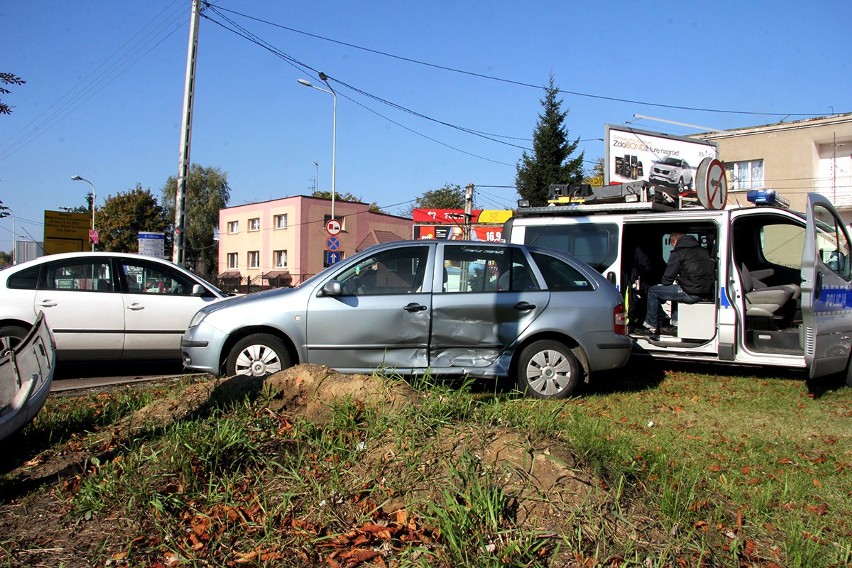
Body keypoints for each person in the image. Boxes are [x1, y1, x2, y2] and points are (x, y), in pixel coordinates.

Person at [636, 232, 714, 336]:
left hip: (690, 293)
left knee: (653, 291)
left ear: (675, 241)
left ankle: (651, 326)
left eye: (672, 244)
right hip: (706, 292)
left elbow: (667, 280)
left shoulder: (678, 253)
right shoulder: (704, 251)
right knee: (676, 290)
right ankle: (676, 324)